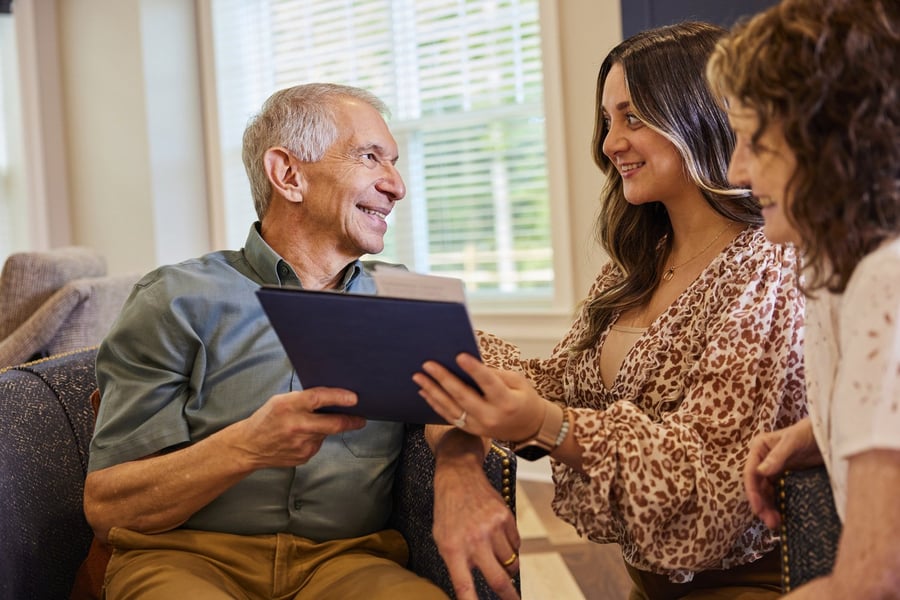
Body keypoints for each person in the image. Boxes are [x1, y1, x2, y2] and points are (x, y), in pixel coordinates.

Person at [414, 22, 807, 599]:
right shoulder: (635, 268)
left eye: (633, 118)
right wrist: (444, 342)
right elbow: (561, 385)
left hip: (753, 583)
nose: (609, 143)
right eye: (607, 120)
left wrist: (543, 425)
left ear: (698, 118)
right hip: (644, 585)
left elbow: (713, 480)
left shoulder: (767, 267)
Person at [83, 83, 471, 599]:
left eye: (394, 162)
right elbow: (109, 508)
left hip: (348, 563)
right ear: (288, 175)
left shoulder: (404, 297)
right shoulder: (175, 298)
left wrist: (461, 469)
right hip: (186, 559)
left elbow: (457, 407)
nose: (397, 186)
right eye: (370, 157)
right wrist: (246, 447)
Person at [706, 0, 900, 597]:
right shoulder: (832, 259)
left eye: (753, 143)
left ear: (826, 142)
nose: (736, 171)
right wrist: (820, 430)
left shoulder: (885, 279)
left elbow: (872, 584)